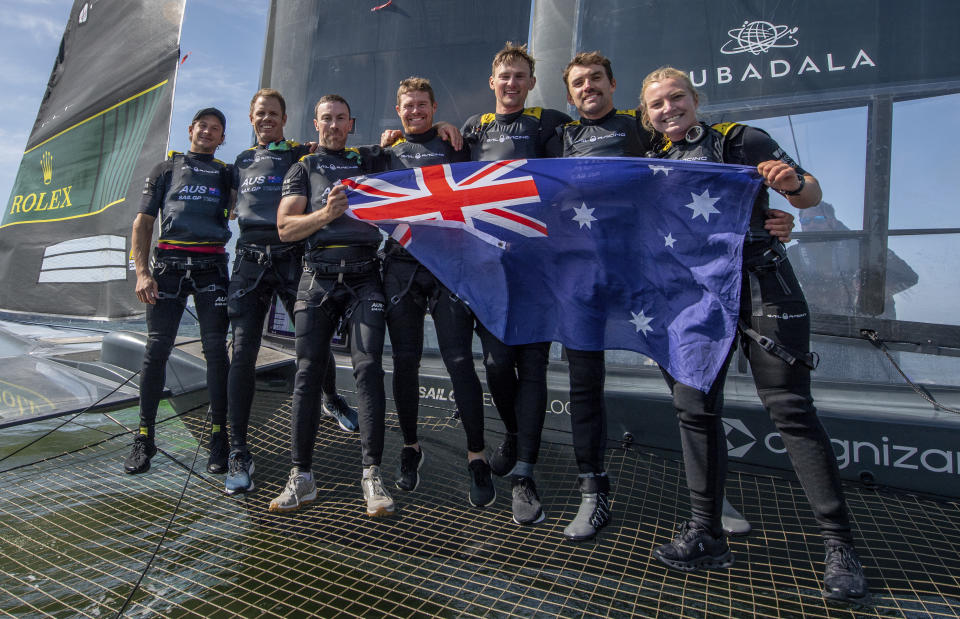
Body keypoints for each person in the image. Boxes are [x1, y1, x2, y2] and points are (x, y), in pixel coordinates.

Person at [640, 67, 868, 602]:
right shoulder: (652, 165)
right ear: (646, 115)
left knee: (789, 409)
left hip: (764, 285)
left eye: (677, 98)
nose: (669, 109)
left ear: (696, 100)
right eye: (657, 105)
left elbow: (808, 193)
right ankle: (707, 535)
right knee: (694, 411)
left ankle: (840, 547)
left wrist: (789, 186)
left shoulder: (741, 140)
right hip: (694, 302)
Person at [225, 88, 359, 496]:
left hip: (291, 256)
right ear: (252, 118)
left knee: (311, 345)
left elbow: (340, 149)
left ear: (285, 119)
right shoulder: (240, 161)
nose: (267, 119)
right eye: (260, 113)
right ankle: (239, 451)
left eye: (274, 114)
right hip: (249, 260)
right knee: (243, 352)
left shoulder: (301, 152)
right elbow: (229, 203)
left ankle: (331, 398)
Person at [459, 43, 571, 525]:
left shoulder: (549, 122)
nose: (511, 83)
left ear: (530, 82)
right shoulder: (472, 129)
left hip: (540, 266)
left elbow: (580, 170)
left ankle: (524, 474)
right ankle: (512, 435)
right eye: (504, 75)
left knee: (534, 367)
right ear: (492, 81)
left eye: (520, 76)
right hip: (488, 267)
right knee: (497, 363)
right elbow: (438, 169)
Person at [268, 95, 392, 516]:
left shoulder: (370, 161)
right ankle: (301, 477)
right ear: (316, 124)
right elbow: (285, 228)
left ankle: (372, 475)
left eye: (341, 119)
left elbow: (414, 157)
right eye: (327, 119)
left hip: (364, 276)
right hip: (318, 276)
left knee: (368, 367)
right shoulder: (302, 169)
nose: (334, 125)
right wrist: (324, 214)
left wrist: (443, 131)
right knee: (307, 372)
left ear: (351, 123)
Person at [554, 52, 654, 541]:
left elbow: (701, 163)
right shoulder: (560, 137)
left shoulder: (644, 125)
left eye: (596, 79)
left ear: (614, 84)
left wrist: (768, 214)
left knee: (687, 379)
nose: (588, 87)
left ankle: (713, 499)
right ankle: (593, 495)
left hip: (643, 274)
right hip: (580, 279)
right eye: (579, 83)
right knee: (583, 387)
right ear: (570, 94)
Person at [380, 77, 487, 504]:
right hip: (401, 266)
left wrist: (449, 128)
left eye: (423, 105)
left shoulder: (454, 144)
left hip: (447, 264)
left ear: (434, 106)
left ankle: (477, 455)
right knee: (404, 362)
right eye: (408, 106)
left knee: (459, 361)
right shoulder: (384, 151)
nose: (415, 112)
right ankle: (411, 448)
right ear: (398, 108)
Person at [125, 108, 233, 475]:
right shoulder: (164, 169)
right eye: (203, 125)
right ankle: (144, 438)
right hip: (168, 268)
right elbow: (142, 223)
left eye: (215, 129)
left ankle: (220, 436)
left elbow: (257, 196)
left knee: (217, 351)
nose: (207, 131)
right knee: (156, 349)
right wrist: (142, 274)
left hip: (212, 268)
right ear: (191, 129)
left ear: (222, 139)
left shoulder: (226, 173)